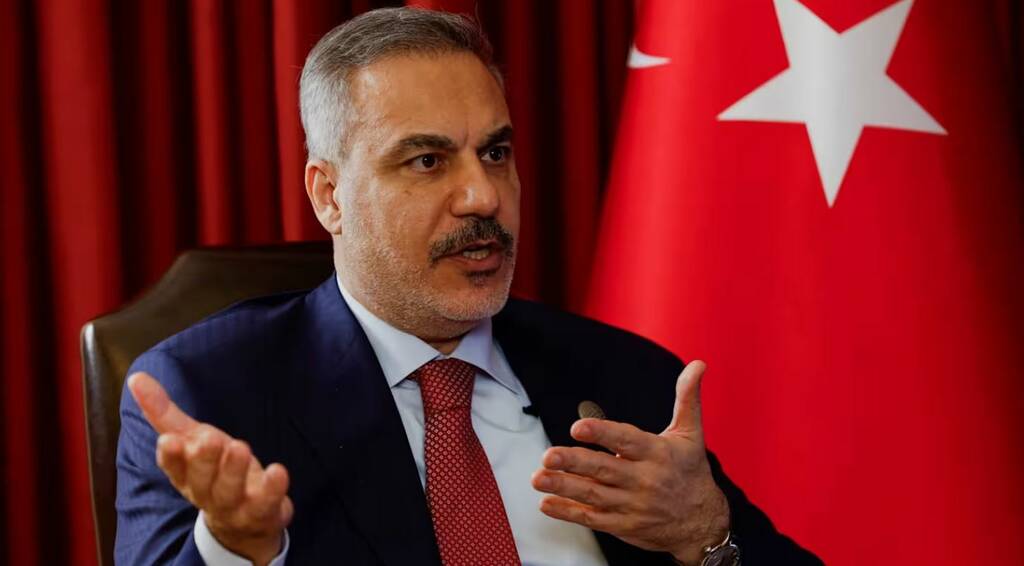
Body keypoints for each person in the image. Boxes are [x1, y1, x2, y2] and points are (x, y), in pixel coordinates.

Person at [115, 7, 821, 566]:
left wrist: (706, 535)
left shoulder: (626, 377)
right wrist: (235, 549)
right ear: (330, 196)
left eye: (496, 152)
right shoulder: (214, 394)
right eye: (427, 161)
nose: (484, 196)